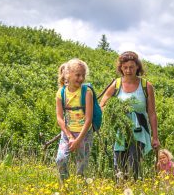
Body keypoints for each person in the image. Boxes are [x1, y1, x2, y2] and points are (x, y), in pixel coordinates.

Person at [100, 51, 160, 179]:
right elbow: (103, 104)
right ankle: (120, 189)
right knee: (119, 165)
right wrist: (114, 111)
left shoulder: (146, 86)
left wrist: (155, 137)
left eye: (131, 67)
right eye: (125, 67)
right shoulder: (116, 84)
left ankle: (134, 188)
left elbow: (152, 113)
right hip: (120, 130)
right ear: (121, 68)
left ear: (137, 67)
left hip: (139, 129)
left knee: (134, 163)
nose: (128, 70)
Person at [55, 58, 94, 183]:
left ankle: (80, 190)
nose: (81, 78)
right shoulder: (61, 94)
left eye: (83, 75)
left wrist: (78, 139)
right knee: (60, 159)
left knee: (81, 167)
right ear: (67, 74)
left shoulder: (87, 92)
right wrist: (70, 137)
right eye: (77, 75)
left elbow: (88, 119)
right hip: (67, 134)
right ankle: (65, 186)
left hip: (84, 134)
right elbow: (60, 118)